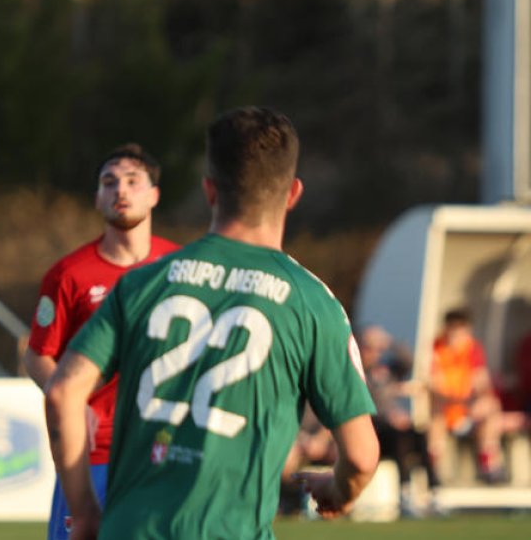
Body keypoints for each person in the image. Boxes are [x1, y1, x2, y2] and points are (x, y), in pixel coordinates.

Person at [44, 106, 379, 539]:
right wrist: (338, 490)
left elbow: (62, 392)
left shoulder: (143, 282)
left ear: (209, 190)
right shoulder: (313, 302)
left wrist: (86, 513)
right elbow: (362, 456)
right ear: (293, 193)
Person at [22, 143, 179, 540]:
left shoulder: (181, 268)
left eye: (132, 181)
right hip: (91, 453)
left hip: (163, 448)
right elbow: (38, 356)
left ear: (154, 194)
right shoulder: (69, 274)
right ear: (97, 197)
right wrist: (71, 401)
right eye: (109, 183)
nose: (120, 191)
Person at [358, 325, 441, 515]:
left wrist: (389, 343)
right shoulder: (356, 373)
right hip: (375, 429)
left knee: (419, 435)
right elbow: (362, 405)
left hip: (395, 425)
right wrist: (389, 418)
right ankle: (405, 493)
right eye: (369, 348)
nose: (373, 353)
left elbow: (408, 360)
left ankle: (434, 490)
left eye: (376, 349)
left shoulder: (385, 370)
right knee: (399, 438)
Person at [428, 307, 507, 484]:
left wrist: (480, 399)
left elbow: (481, 381)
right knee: (436, 415)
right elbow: (436, 388)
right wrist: (461, 403)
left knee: (491, 407)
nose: (459, 337)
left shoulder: (472, 348)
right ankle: (432, 469)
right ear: (447, 329)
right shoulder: (435, 349)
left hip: (466, 409)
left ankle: (490, 466)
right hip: (446, 408)